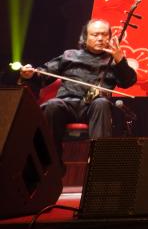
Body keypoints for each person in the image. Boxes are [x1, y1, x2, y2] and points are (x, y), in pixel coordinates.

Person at [19, 18, 137, 162]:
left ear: (110, 37)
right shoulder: (70, 55)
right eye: (95, 34)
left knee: (101, 103)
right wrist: (29, 75)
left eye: (104, 34)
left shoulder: (113, 61)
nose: (100, 38)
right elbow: (42, 76)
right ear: (85, 37)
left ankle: (99, 162)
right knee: (52, 105)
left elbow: (128, 82)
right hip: (66, 104)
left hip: (95, 107)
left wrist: (120, 60)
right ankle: (49, 163)